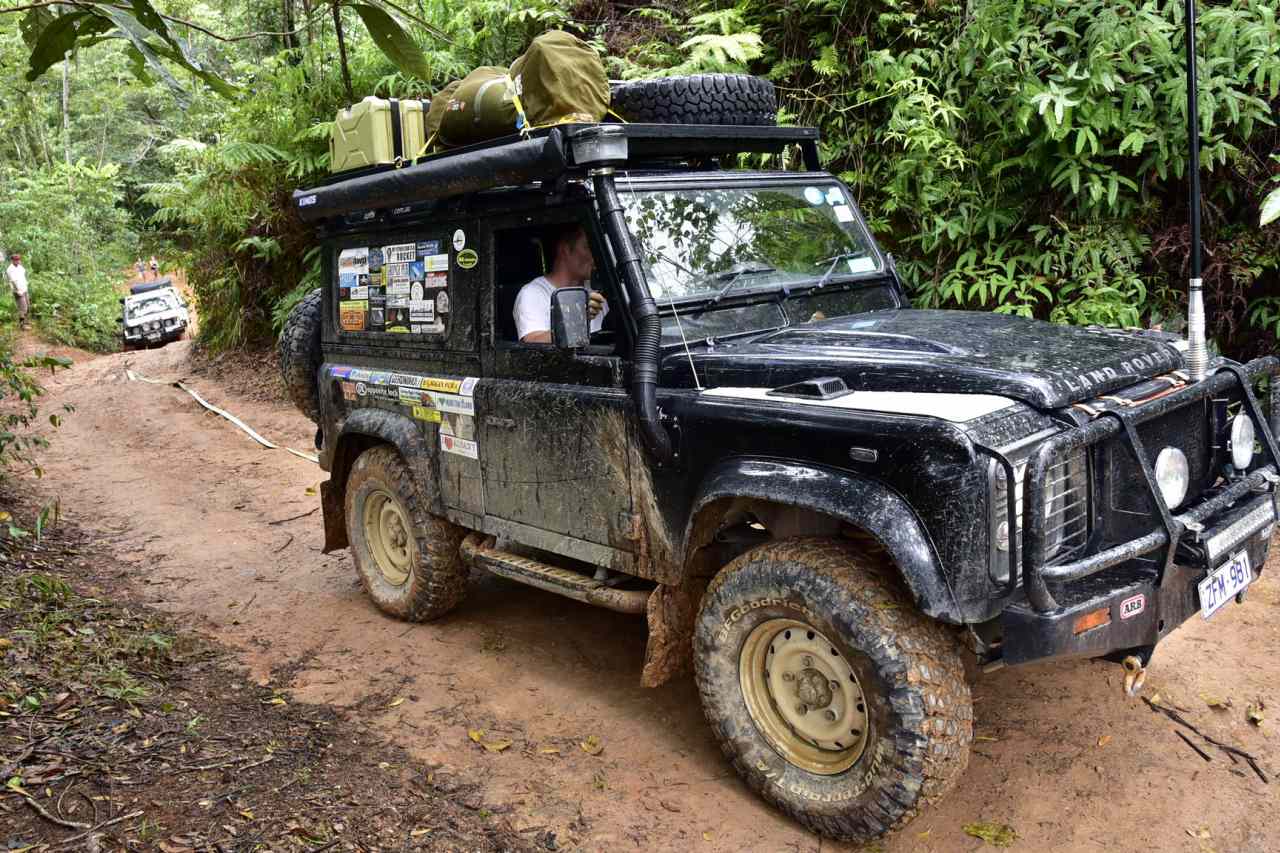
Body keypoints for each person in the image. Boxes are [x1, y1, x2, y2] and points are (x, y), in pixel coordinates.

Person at [513, 225, 607, 343]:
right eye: (588, 247)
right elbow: (533, 342)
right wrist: (576, 321)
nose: (595, 255)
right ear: (566, 249)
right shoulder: (533, 293)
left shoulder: (597, 290)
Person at [5, 254, 30, 330]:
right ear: (12, 260)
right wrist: (18, 290)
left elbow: (23, 275)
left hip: (24, 288)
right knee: (23, 308)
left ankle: (25, 321)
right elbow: (13, 281)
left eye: (18, 259)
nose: (18, 261)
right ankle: (22, 325)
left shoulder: (20, 267)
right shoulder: (10, 269)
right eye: (16, 260)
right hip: (18, 291)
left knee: (28, 305)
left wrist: (26, 285)